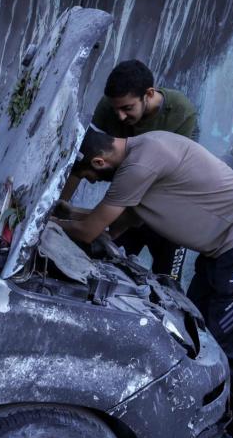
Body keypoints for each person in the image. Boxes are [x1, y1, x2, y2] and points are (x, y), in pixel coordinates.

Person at [57, 128, 233, 438]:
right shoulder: (144, 148)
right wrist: (68, 213)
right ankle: (206, 416)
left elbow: (91, 230)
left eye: (89, 175)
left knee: (225, 343)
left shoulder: (138, 165)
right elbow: (113, 228)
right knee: (194, 331)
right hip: (225, 248)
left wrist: (48, 219)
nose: (94, 181)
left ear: (99, 161)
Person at [61, 60, 200, 279]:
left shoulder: (181, 113)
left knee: (166, 283)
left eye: (127, 108)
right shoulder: (109, 107)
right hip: (124, 204)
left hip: (167, 212)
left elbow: (171, 178)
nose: (120, 117)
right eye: (116, 109)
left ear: (149, 94)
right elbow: (85, 157)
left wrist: (98, 223)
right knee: (105, 268)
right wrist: (59, 206)